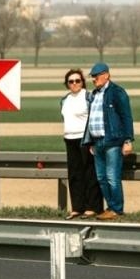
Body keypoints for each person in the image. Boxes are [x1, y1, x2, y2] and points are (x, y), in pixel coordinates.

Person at [84, 62, 134, 220]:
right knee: (101, 178)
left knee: (112, 177)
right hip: (97, 143)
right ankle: (110, 207)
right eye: (92, 77)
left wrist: (127, 140)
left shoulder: (117, 92)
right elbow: (92, 118)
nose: (94, 79)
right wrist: (90, 141)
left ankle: (116, 209)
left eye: (96, 76)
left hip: (112, 141)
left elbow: (126, 116)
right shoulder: (95, 94)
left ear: (106, 75)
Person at [59, 68, 103, 218]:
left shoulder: (89, 97)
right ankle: (77, 207)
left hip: (85, 140)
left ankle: (93, 207)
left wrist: (93, 141)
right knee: (75, 175)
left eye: (78, 80)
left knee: (90, 174)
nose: (74, 83)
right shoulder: (65, 100)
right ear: (67, 84)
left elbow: (94, 118)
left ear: (82, 82)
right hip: (69, 139)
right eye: (71, 81)